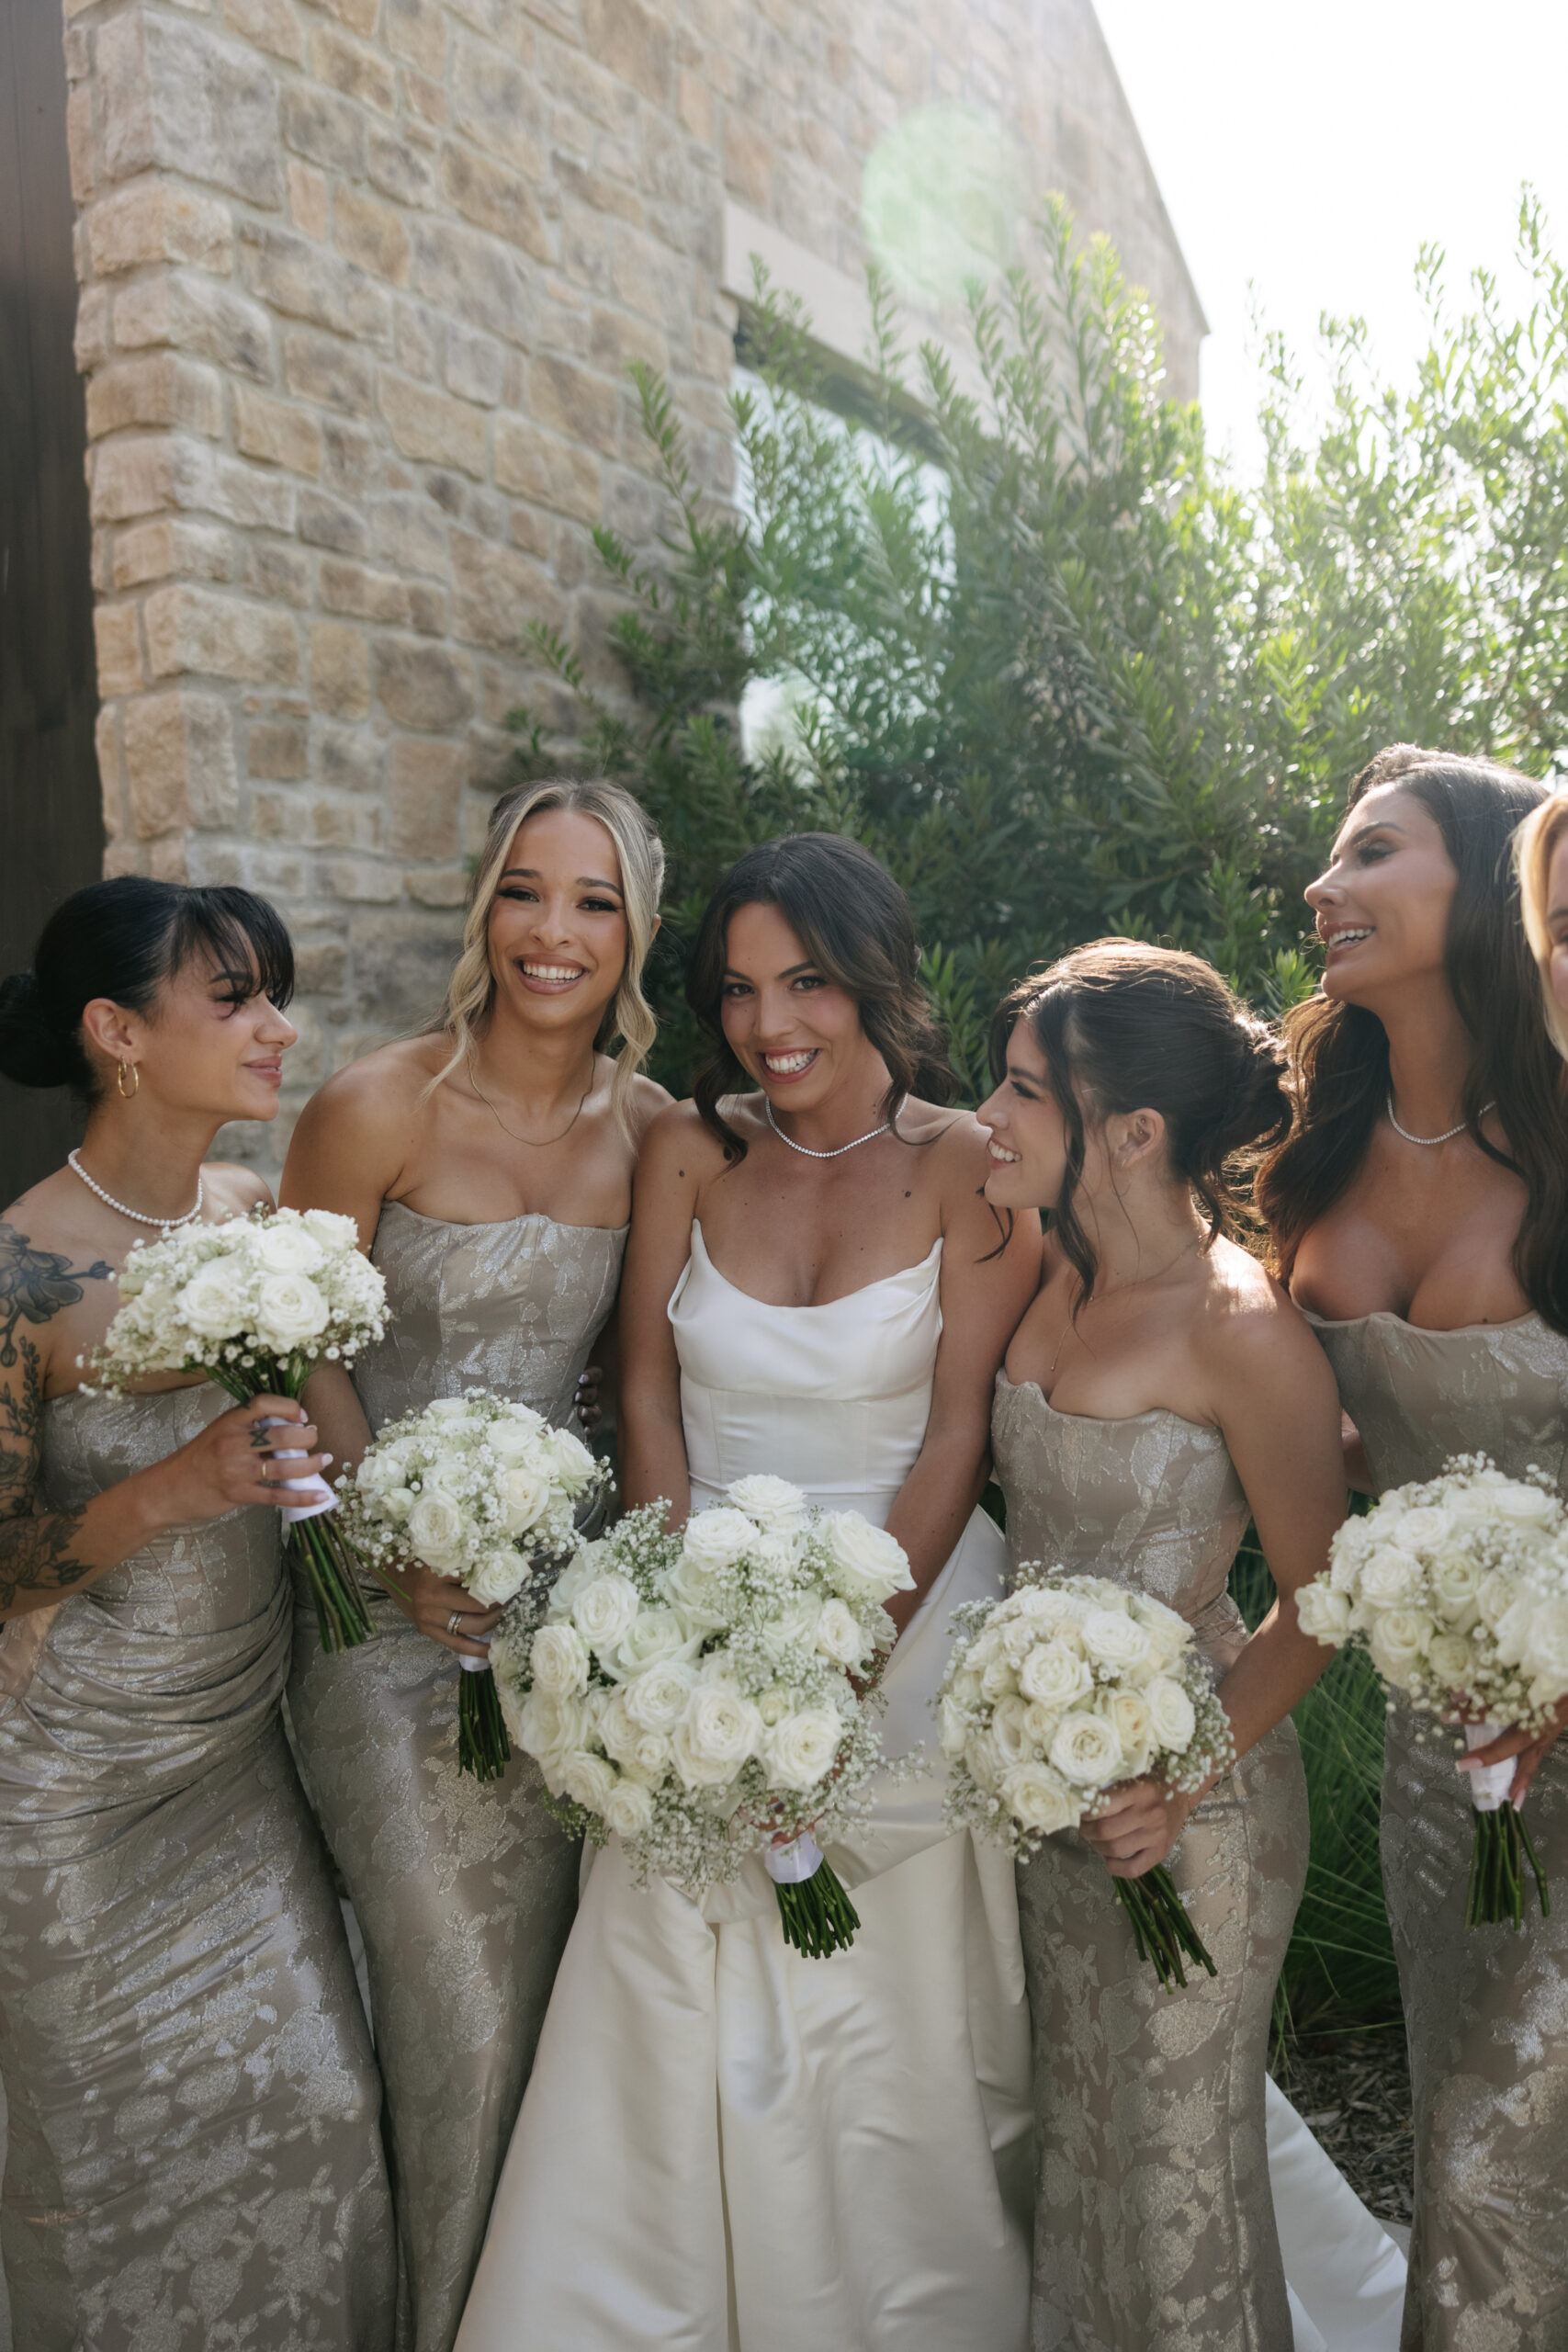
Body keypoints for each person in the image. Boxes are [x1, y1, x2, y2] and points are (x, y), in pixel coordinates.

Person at [458, 832, 1041, 2352]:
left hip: (903, 1617)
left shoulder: (969, 1160)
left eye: (807, 985)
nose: (771, 1024)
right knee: (667, 1946)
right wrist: (676, 1617)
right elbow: (645, 1389)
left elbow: (962, 1428)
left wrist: (845, 1660)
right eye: (737, 990)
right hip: (692, 1601)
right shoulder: (689, 1153)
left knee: (892, 2022)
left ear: (876, 981)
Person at [281, 777, 669, 2352]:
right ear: (484, 908)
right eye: (525, 891)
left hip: (567, 1631)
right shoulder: (375, 1105)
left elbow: (639, 1382)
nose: (553, 933)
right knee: (456, 2008)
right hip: (384, 1625)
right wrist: (396, 1552)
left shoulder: (656, 1134)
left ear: (636, 928)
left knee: (580, 2011)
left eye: (591, 900)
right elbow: (295, 1350)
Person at [979, 938, 1405, 2352]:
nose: (993, 1114)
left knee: (1176, 2170)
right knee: (1082, 2146)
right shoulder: (1047, 1264)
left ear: (1136, 1131)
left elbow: (1321, 1595)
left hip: (1198, 1811)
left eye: (1028, 1091)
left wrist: (1180, 1773)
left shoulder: (1245, 1335)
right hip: (1050, 1787)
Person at [0, 877, 394, 2352]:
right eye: (232, 999)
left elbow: (339, 1453)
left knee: (319, 2110)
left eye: (271, 995)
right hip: (71, 1795)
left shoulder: (262, 1216)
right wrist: (177, 1486)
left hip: (239, 1768)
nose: (276, 1029)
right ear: (115, 1031)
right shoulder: (20, 1273)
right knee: (100, 2185)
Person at [1258, 744, 1568, 2351]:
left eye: (1372, 853)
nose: (1326, 889)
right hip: (1438, 1748)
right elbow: (1320, 1444)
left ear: (1492, 886)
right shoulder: (1323, 1154)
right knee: (1468, 2099)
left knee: (1484, 2159)